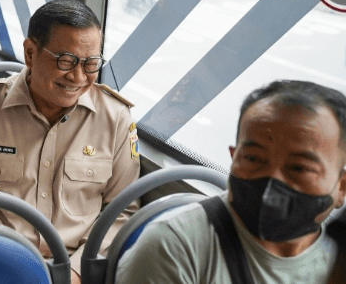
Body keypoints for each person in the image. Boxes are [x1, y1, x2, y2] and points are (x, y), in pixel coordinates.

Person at [0, 0, 140, 284]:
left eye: (91, 64)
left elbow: (122, 210)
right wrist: (16, 268)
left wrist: (77, 272)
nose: (78, 77)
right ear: (30, 53)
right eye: (66, 61)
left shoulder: (115, 118)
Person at [116, 80, 346, 283]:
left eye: (299, 168)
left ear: (341, 187)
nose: (270, 185)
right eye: (253, 158)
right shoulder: (173, 248)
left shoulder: (338, 259)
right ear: (234, 158)